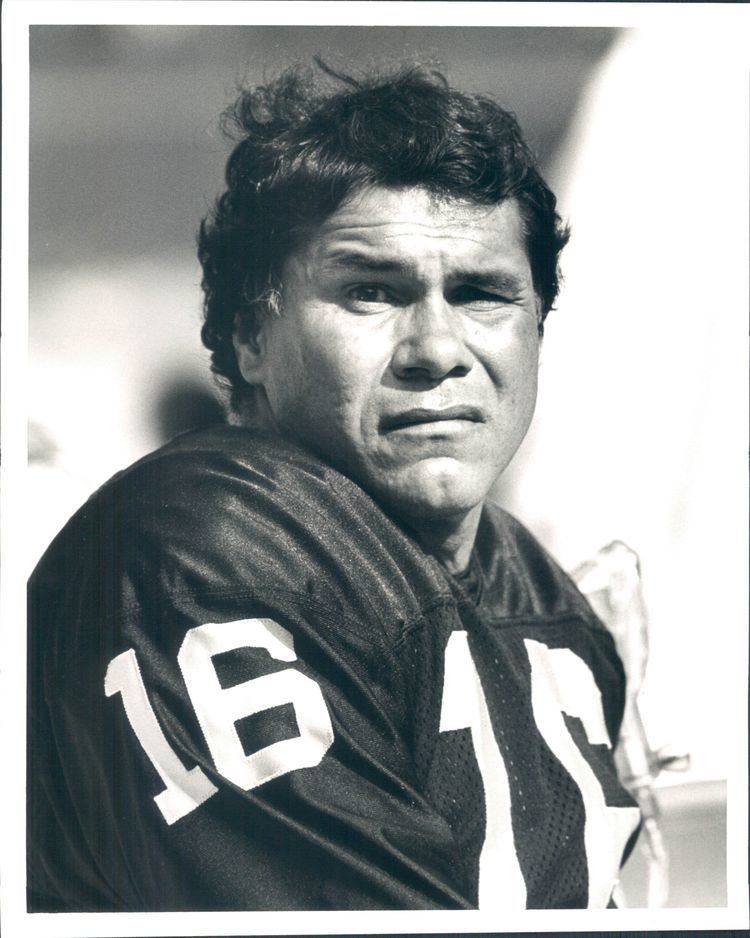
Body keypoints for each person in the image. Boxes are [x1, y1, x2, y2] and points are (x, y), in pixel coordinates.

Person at [27, 62, 641, 912]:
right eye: (370, 293)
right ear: (249, 337)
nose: (437, 348)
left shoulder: (539, 589)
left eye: (481, 294)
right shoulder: (204, 547)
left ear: (538, 329)